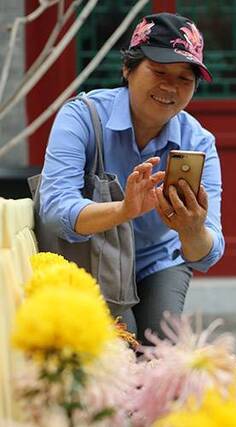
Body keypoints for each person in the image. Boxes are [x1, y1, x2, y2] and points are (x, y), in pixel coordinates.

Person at [38, 13, 224, 344]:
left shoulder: (199, 142)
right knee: (119, 349)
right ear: (128, 69)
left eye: (185, 78)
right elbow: (53, 211)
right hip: (91, 258)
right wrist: (122, 210)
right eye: (159, 71)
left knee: (163, 351)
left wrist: (192, 230)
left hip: (158, 259)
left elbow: (208, 252)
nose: (171, 87)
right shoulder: (82, 116)